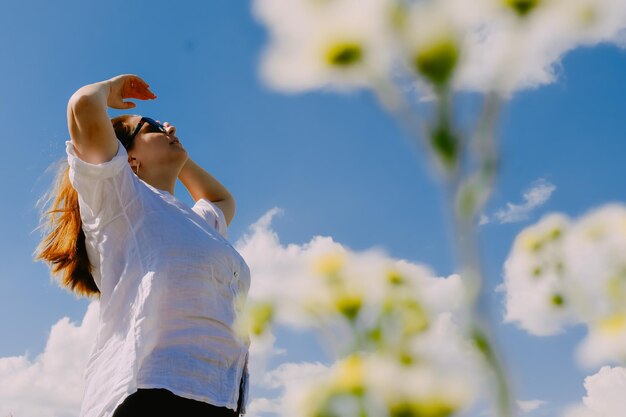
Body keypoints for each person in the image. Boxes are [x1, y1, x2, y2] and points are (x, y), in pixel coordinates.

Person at [33, 74, 251, 417]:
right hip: (148, 392)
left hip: (216, 394)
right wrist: (111, 88)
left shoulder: (195, 222)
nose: (164, 128)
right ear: (128, 160)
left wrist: (177, 155)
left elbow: (222, 199)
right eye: (148, 126)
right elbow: (83, 106)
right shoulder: (119, 200)